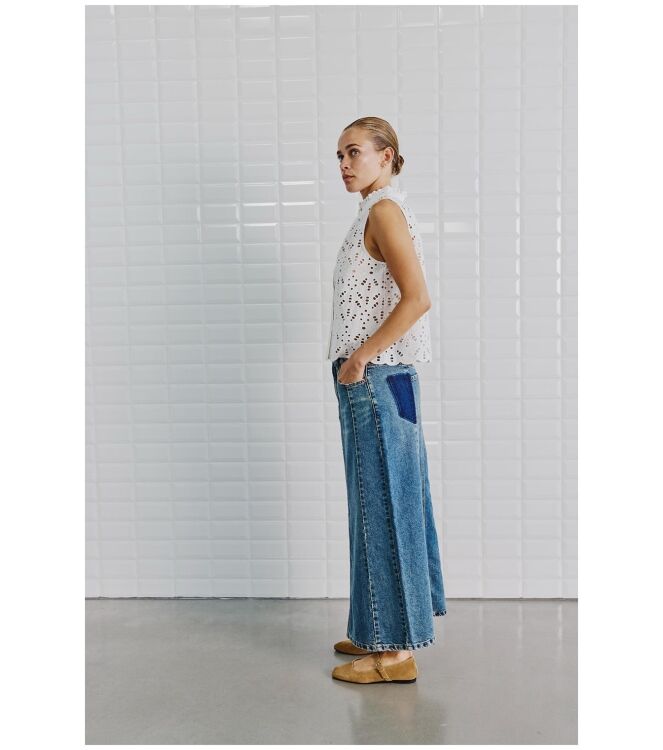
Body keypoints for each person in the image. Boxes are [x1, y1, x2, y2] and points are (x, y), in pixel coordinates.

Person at [328, 117, 447, 685]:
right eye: (339, 156)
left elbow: (417, 298)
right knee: (379, 504)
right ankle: (377, 627)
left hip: (375, 379)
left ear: (387, 156)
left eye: (354, 152)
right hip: (380, 379)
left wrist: (360, 358)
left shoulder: (384, 212)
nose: (344, 164)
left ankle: (395, 654)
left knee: (384, 507)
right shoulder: (373, 212)